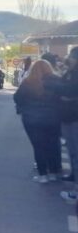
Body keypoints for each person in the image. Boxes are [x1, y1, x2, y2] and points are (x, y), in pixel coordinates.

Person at [14, 60, 63, 183]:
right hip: (53, 118)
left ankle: (43, 175)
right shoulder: (57, 81)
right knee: (53, 144)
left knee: (38, 146)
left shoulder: (28, 82)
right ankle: (54, 172)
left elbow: (17, 98)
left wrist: (24, 108)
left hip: (32, 119)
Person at [45, 48, 78, 189]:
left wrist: (55, 86)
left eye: (71, 57)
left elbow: (70, 91)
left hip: (74, 117)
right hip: (67, 116)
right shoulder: (69, 72)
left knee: (76, 151)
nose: (68, 59)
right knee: (71, 150)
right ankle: (73, 175)